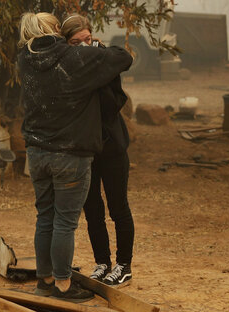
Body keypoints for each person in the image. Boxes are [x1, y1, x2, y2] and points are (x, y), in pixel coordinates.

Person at [17, 12, 132, 301]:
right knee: (65, 222)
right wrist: (94, 51)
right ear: (56, 32)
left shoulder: (25, 60)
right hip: (70, 153)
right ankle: (63, 285)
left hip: (37, 150)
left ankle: (45, 281)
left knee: (45, 217)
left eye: (88, 39)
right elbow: (124, 58)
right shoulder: (72, 58)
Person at [60, 13, 135, 287]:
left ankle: (123, 265)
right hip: (84, 150)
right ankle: (102, 262)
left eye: (88, 39)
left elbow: (122, 64)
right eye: (76, 42)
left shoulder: (104, 60)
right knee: (92, 210)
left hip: (112, 145)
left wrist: (97, 54)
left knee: (118, 208)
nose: (83, 46)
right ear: (67, 44)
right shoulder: (65, 69)